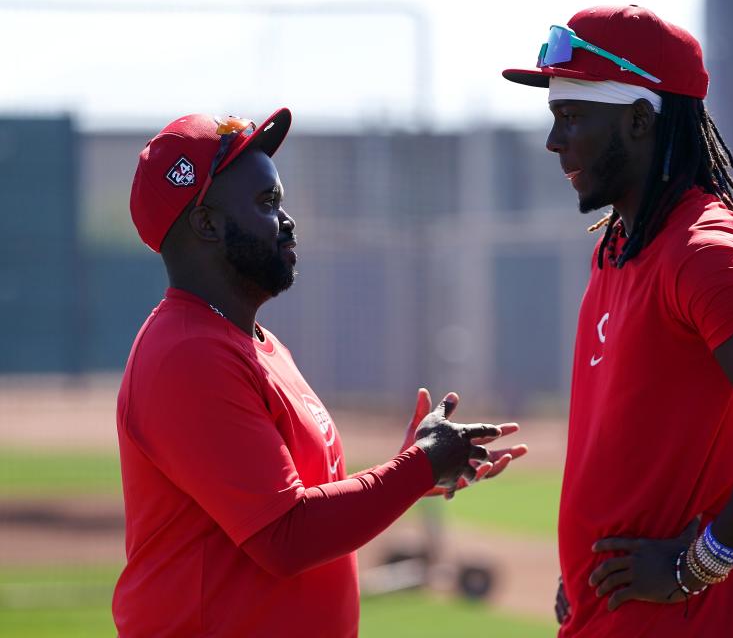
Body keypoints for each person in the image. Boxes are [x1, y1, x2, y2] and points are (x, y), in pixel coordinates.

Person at [113, 108, 527, 637]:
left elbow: (303, 505)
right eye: (267, 203)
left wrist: (409, 474)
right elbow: (286, 536)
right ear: (207, 224)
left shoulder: (250, 342)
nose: (287, 221)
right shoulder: (189, 353)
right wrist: (421, 465)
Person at [503, 6, 733, 637]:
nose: (554, 141)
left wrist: (697, 564)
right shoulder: (622, 243)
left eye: (571, 117)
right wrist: (580, 568)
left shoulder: (700, 248)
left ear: (638, 119)